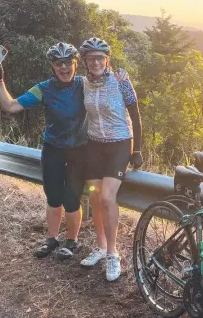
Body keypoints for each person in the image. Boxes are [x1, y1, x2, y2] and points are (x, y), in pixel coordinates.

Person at [0, 42, 129, 260]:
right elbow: (11, 106)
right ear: (52, 66)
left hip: (79, 151)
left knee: (71, 199)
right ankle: (52, 239)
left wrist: (120, 75)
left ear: (75, 63)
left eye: (68, 62)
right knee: (53, 197)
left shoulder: (85, 84)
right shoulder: (44, 88)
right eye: (58, 63)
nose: (64, 68)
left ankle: (71, 241)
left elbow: (105, 79)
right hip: (53, 149)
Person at [78, 37, 142, 281]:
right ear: (84, 61)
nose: (95, 62)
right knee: (94, 195)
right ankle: (101, 247)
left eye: (100, 58)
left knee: (106, 196)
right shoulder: (83, 83)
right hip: (95, 146)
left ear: (107, 60)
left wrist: (137, 151)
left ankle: (113, 253)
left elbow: (136, 117)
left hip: (119, 145)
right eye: (90, 58)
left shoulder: (121, 81)